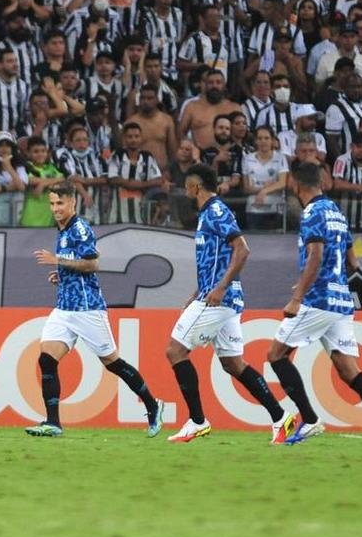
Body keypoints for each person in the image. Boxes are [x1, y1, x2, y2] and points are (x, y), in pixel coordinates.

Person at [266, 162, 362, 449]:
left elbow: (316, 255)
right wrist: (331, 281)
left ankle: (309, 420)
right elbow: (353, 262)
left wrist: (298, 296)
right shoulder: (336, 212)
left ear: (296, 184)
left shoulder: (312, 212)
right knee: (348, 370)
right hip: (341, 300)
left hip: (317, 299)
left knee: (276, 355)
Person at [165, 165, 297, 444]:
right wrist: (198, 290)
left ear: (196, 187)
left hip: (219, 299)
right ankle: (280, 417)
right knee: (233, 364)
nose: (185, 190)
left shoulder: (215, 211)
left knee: (175, 351)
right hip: (220, 297)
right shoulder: (208, 214)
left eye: (187, 185)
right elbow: (216, 261)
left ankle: (197, 421)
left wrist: (220, 288)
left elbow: (242, 249)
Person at [26, 181, 162, 437]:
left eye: (60, 203)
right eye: (52, 203)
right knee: (46, 359)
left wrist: (57, 260)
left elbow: (92, 264)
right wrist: (61, 274)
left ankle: (153, 405)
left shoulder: (80, 228)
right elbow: (76, 265)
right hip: (64, 308)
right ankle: (53, 423)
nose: (55, 208)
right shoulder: (62, 229)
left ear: (72, 202)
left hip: (87, 308)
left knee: (113, 363)